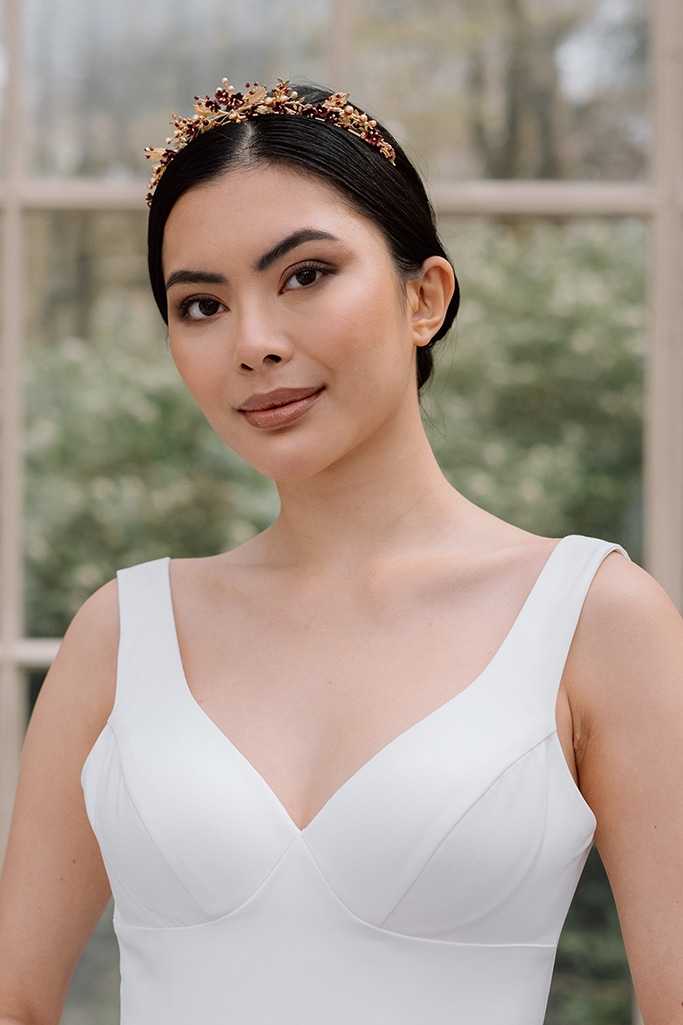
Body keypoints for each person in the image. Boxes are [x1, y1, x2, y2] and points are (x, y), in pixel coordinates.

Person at [0, 78, 681, 1025]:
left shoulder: (595, 618)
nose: (255, 342)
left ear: (424, 296)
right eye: (201, 304)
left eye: (305, 275)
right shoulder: (120, 634)